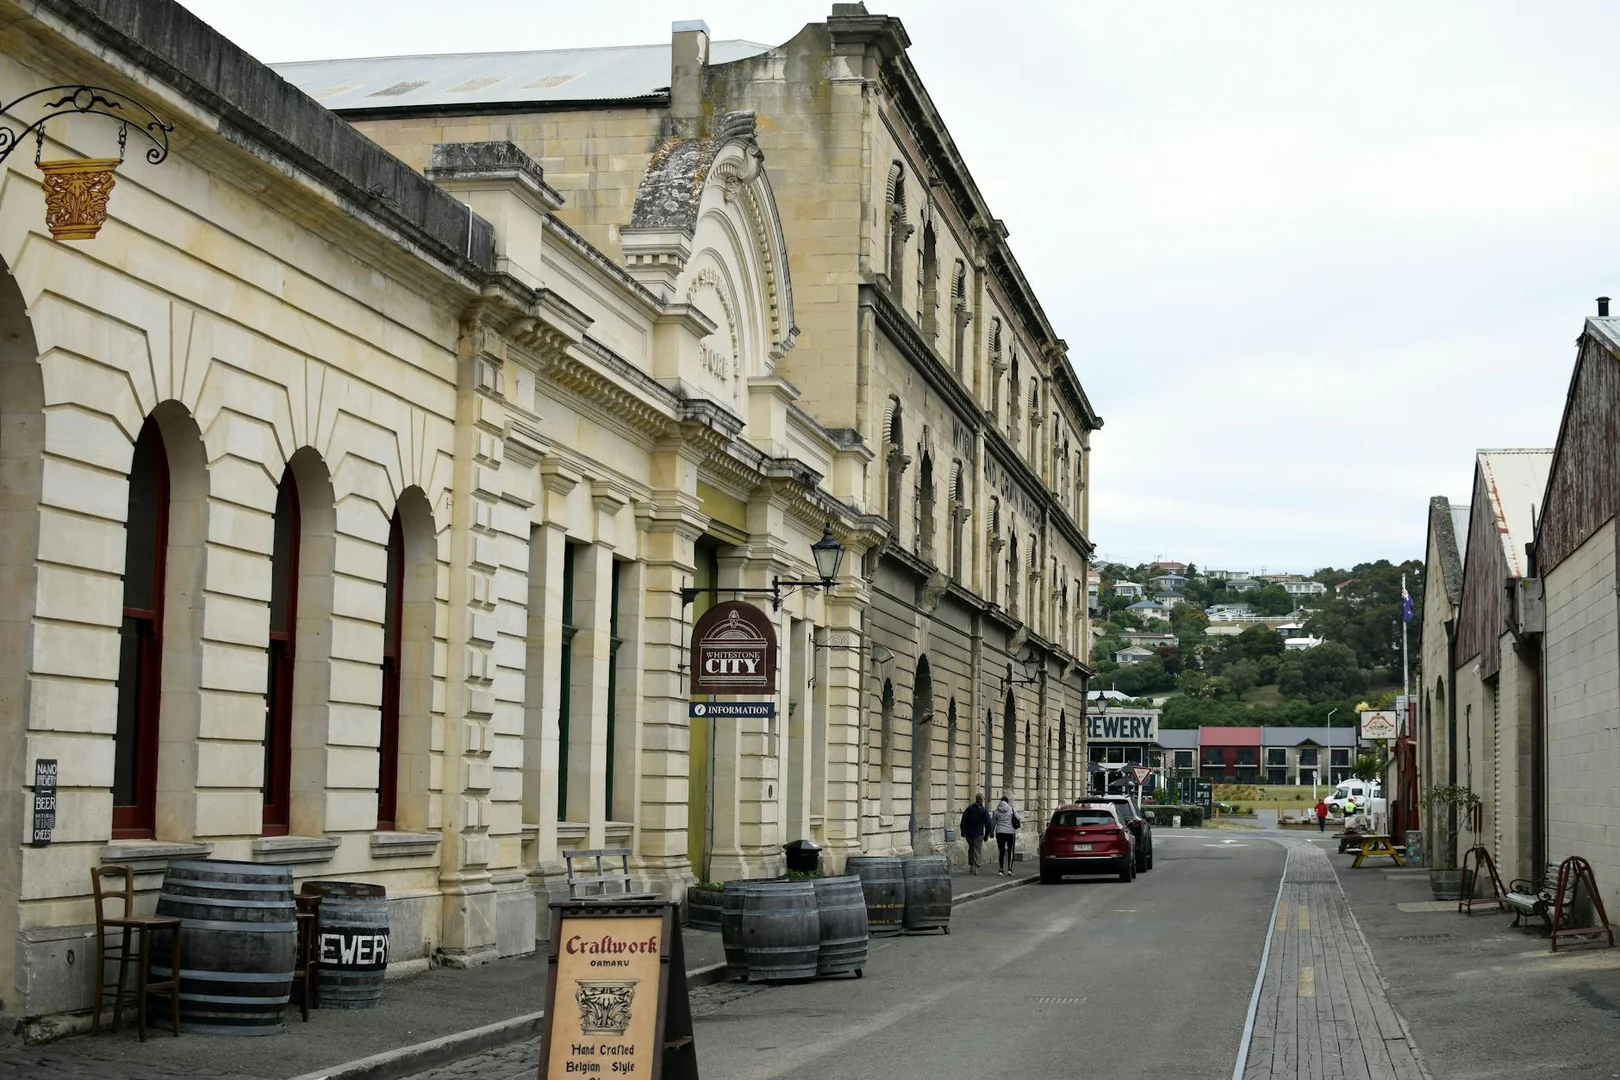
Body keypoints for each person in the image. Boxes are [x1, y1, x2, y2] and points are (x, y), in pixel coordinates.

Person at [959, 794, 993, 874]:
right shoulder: (984, 810)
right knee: (977, 849)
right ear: (982, 800)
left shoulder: (969, 808)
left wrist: (963, 831)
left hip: (969, 832)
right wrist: (987, 834)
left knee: (971, 848)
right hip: (978, 832)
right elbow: (988, 823)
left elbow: (963, 820)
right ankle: (977, 867)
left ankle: (971, 866)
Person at [991, 794, 1020, 876]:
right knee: (1010, 850)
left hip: (999, 832)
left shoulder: (996, 811)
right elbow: (1019, 818)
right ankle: (1010, 869)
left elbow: (993, 823)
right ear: (1007, 802)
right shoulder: (1011, 809)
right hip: (1010, 832)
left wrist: (991, 832)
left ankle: (1001, 869)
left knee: (1001, 850)